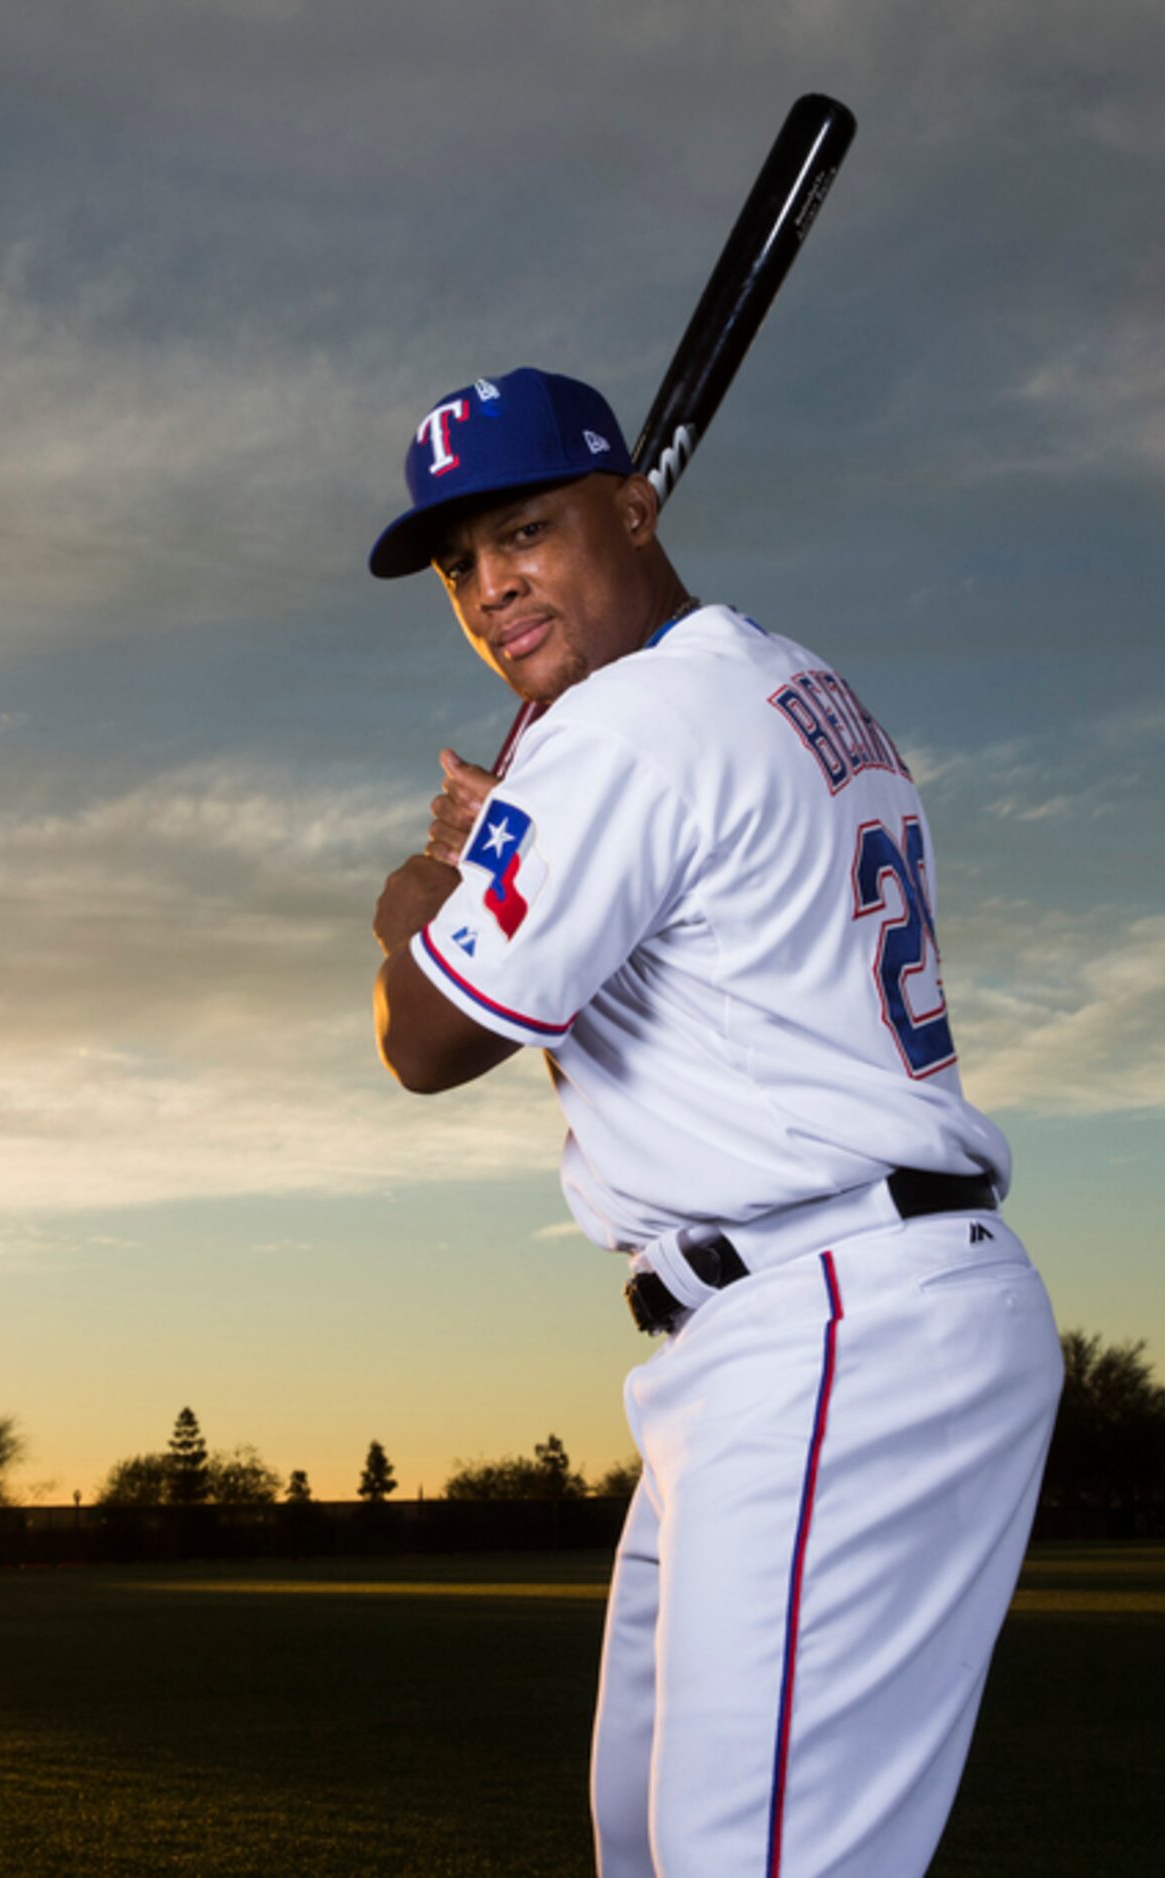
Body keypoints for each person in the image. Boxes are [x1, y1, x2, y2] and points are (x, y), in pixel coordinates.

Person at [365, 367, 1060, 1876]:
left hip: (830, 1320)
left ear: (634, 507)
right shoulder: (776, 675)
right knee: (646, 1834)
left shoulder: (621, 727)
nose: (493, 588)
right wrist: (520, 836)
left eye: (528, 532)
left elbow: (425, 1038)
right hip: (799, 1315)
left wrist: (422, 894)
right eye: (461, 564)